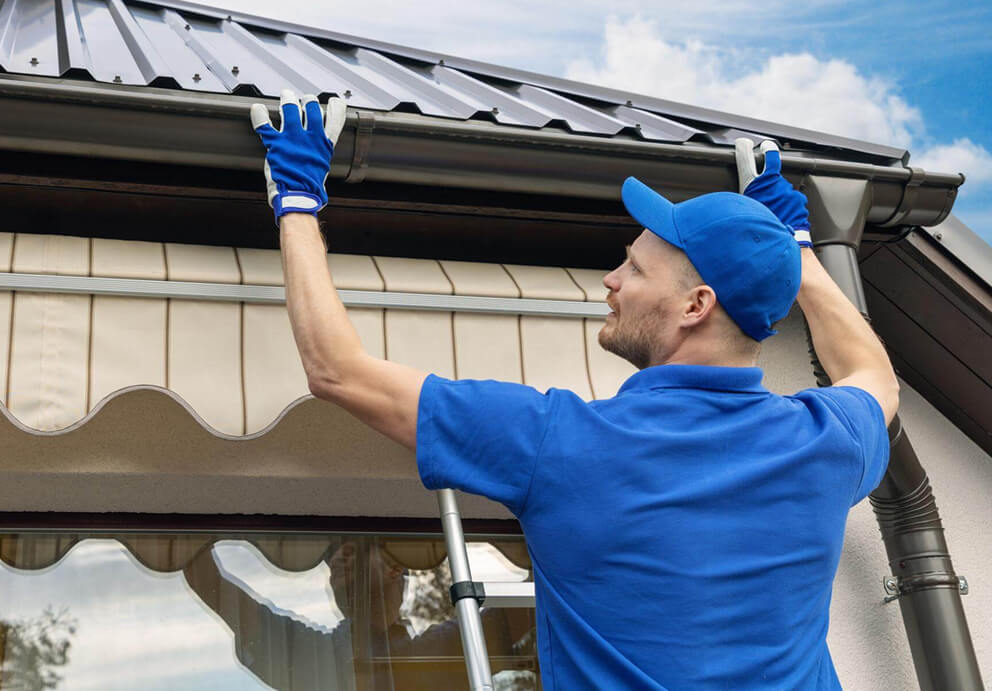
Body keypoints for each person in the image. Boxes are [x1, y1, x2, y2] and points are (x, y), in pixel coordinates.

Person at [249, 90, 897, 690]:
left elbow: (336, 369)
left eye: (635, 267)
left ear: (697, 304)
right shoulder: (823, 443)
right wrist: (798, 254)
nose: (612, 279)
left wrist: (299, 201)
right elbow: (873, 374)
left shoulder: (562, 444)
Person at [183, 538, 535, 690]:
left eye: (350, 549)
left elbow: (527, 604)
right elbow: (206, 581)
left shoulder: (436, 656)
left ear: (396, 567)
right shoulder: (315, 658)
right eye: (330, 556)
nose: (336, 560)